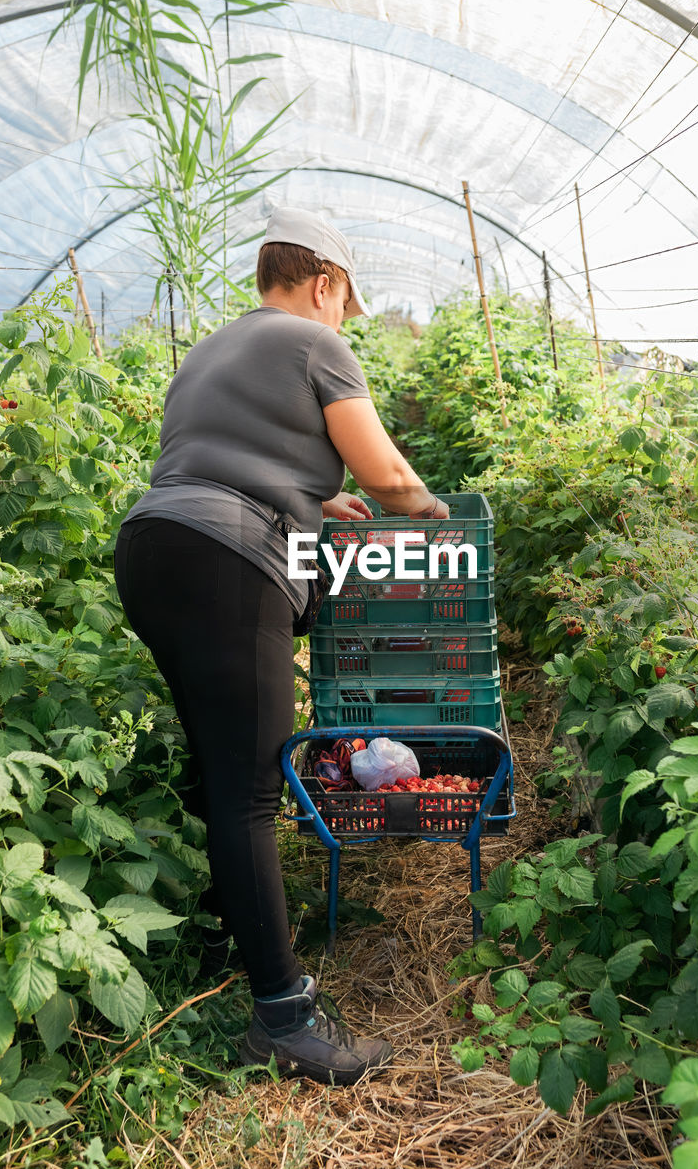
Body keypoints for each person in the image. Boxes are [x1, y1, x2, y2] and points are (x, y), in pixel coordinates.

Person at [113, 206, 450, 1086]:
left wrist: (311, 502)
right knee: (252, 790)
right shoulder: (314, 340)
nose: (343, 323)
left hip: (154, 549)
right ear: (323, 282)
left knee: (219, 764)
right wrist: (426, 511)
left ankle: (229, 927)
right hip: (227, 561)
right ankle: (283, 1020)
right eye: (344, 304)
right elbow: (383, 472)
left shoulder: (214, 348)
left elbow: (229, 460)